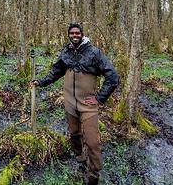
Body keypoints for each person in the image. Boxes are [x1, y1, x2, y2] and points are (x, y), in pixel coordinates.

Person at [31, 23, 120, 185]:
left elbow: (113, 77)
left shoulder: (94, 53)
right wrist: (40, 82)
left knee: (93, 142)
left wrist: (99, 99)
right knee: (74, 134)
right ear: (69, 35)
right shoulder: (66, 52)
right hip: (70, 103)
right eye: (71, 33)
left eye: (77, 33)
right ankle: (79, 157)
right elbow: (56, 72)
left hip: (88, 106)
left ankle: (93, 176)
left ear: (82, 34)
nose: (74, 35)